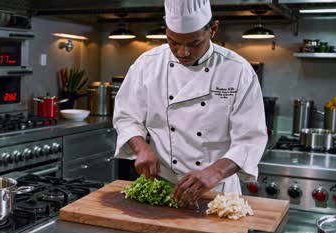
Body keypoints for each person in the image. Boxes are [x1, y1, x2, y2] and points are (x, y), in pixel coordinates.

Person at [113, 0, 268, 207]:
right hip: (161, 188)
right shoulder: (147, 64)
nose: (182, 53)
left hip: (217, 193)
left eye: (194, 43)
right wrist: (140, 147)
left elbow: (250, 139)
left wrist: (215, 171)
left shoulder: (237, 71)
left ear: (213, 29)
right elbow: (127, 116)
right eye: (173, 42)